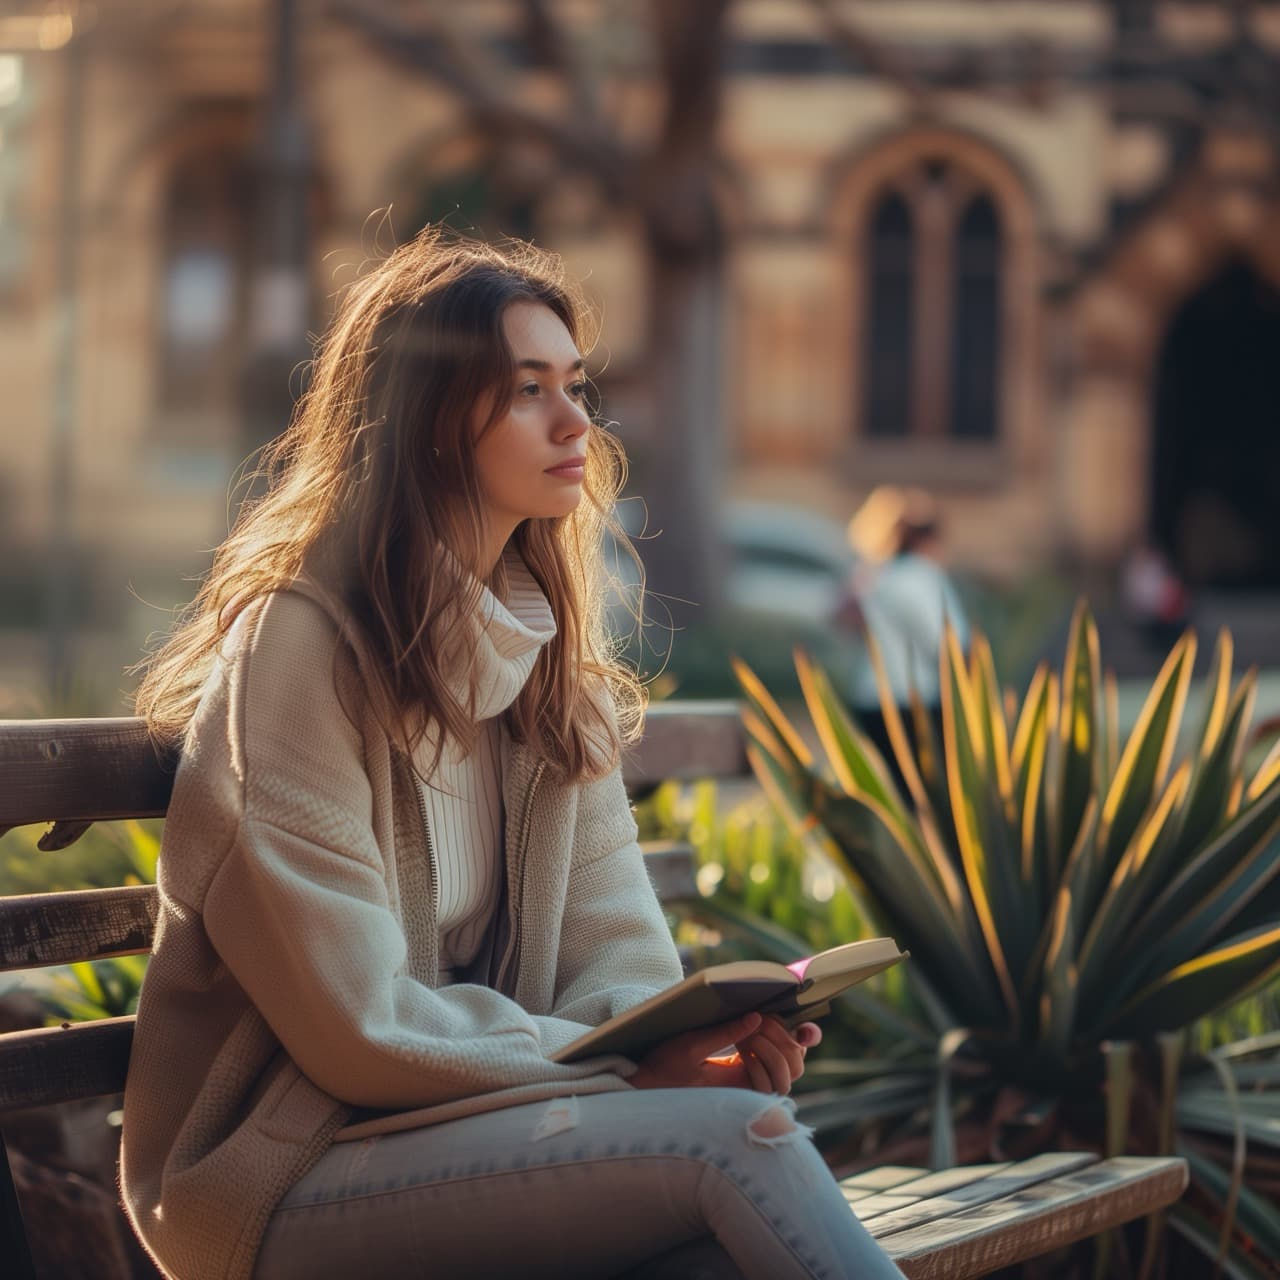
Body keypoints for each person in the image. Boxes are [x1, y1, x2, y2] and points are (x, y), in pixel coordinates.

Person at [120, 226, 905, 1280]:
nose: (575, 418)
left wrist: (673, 1047)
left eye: (574, 384)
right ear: (431, 421)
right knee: (738, 1143)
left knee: (719, 1246)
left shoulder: (543, 673)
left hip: (481, 1141)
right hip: (281, 1175)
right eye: (528, 387)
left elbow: (620, 957)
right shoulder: (297, 649)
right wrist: (623, 1077)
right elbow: (355, 1024)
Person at [835, 488, 969, 796]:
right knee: (926, 796)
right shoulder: (922, 578)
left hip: (870, 697)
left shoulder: (875, 576)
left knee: (888, 791)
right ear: (928, 539)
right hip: (917, 701)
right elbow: (946, 642)